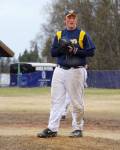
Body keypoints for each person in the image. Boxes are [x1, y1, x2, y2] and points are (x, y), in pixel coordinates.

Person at [37, 9, 95, 138]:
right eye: (69, 17)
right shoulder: (59, 34)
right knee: (56, 100)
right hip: (59, 70)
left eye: (73, 18)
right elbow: (53, 53)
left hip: (76, 71)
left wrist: (76, 50)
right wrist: (61, 49)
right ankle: (52, 128)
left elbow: (91, 51)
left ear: (76, 20)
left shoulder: (82, 34)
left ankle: (78, 128)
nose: (71, 20)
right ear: (65, 20)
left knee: (76, 101)